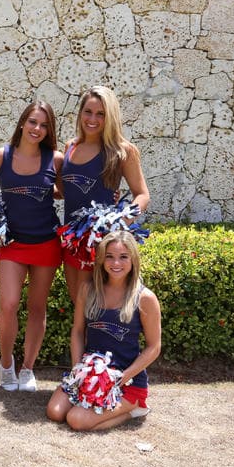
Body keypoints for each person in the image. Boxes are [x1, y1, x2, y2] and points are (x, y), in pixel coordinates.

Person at [0, 101, 64, 392]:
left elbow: (61, 192)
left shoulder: (55, 159)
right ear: (22, 122)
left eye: (44, 125)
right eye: (33, 122)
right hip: (13, 244)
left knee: (37, 307)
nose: (37, 129)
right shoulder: (0, 156)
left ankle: (28, 370)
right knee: (8, 305)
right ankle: (6, 365)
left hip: (46, 242)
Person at [46, 231, 161, 431]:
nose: (116, 263)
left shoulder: (145, 298)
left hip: (125, 382)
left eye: (123, 257)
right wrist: (78, 372)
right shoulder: (88, 289)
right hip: (89, 373)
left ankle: (134, 408)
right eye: (110, 256)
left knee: (76, 420)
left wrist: (122, 377)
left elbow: (154, 347)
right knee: (55, 412)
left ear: (133, 259)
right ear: (101, 260)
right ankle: (89, 401)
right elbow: (78, 331)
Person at [59, 85, 150, 304]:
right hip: (71, 242)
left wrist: (120, 222)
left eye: (101, 114)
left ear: (110, 117)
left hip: (101, 245)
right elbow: (67, 191)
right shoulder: (70, 146)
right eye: (88, 112)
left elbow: (142, 195)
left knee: (101, 309)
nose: (93, 119)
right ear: (80, 113)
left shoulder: (122, 151)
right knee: (79, 308)